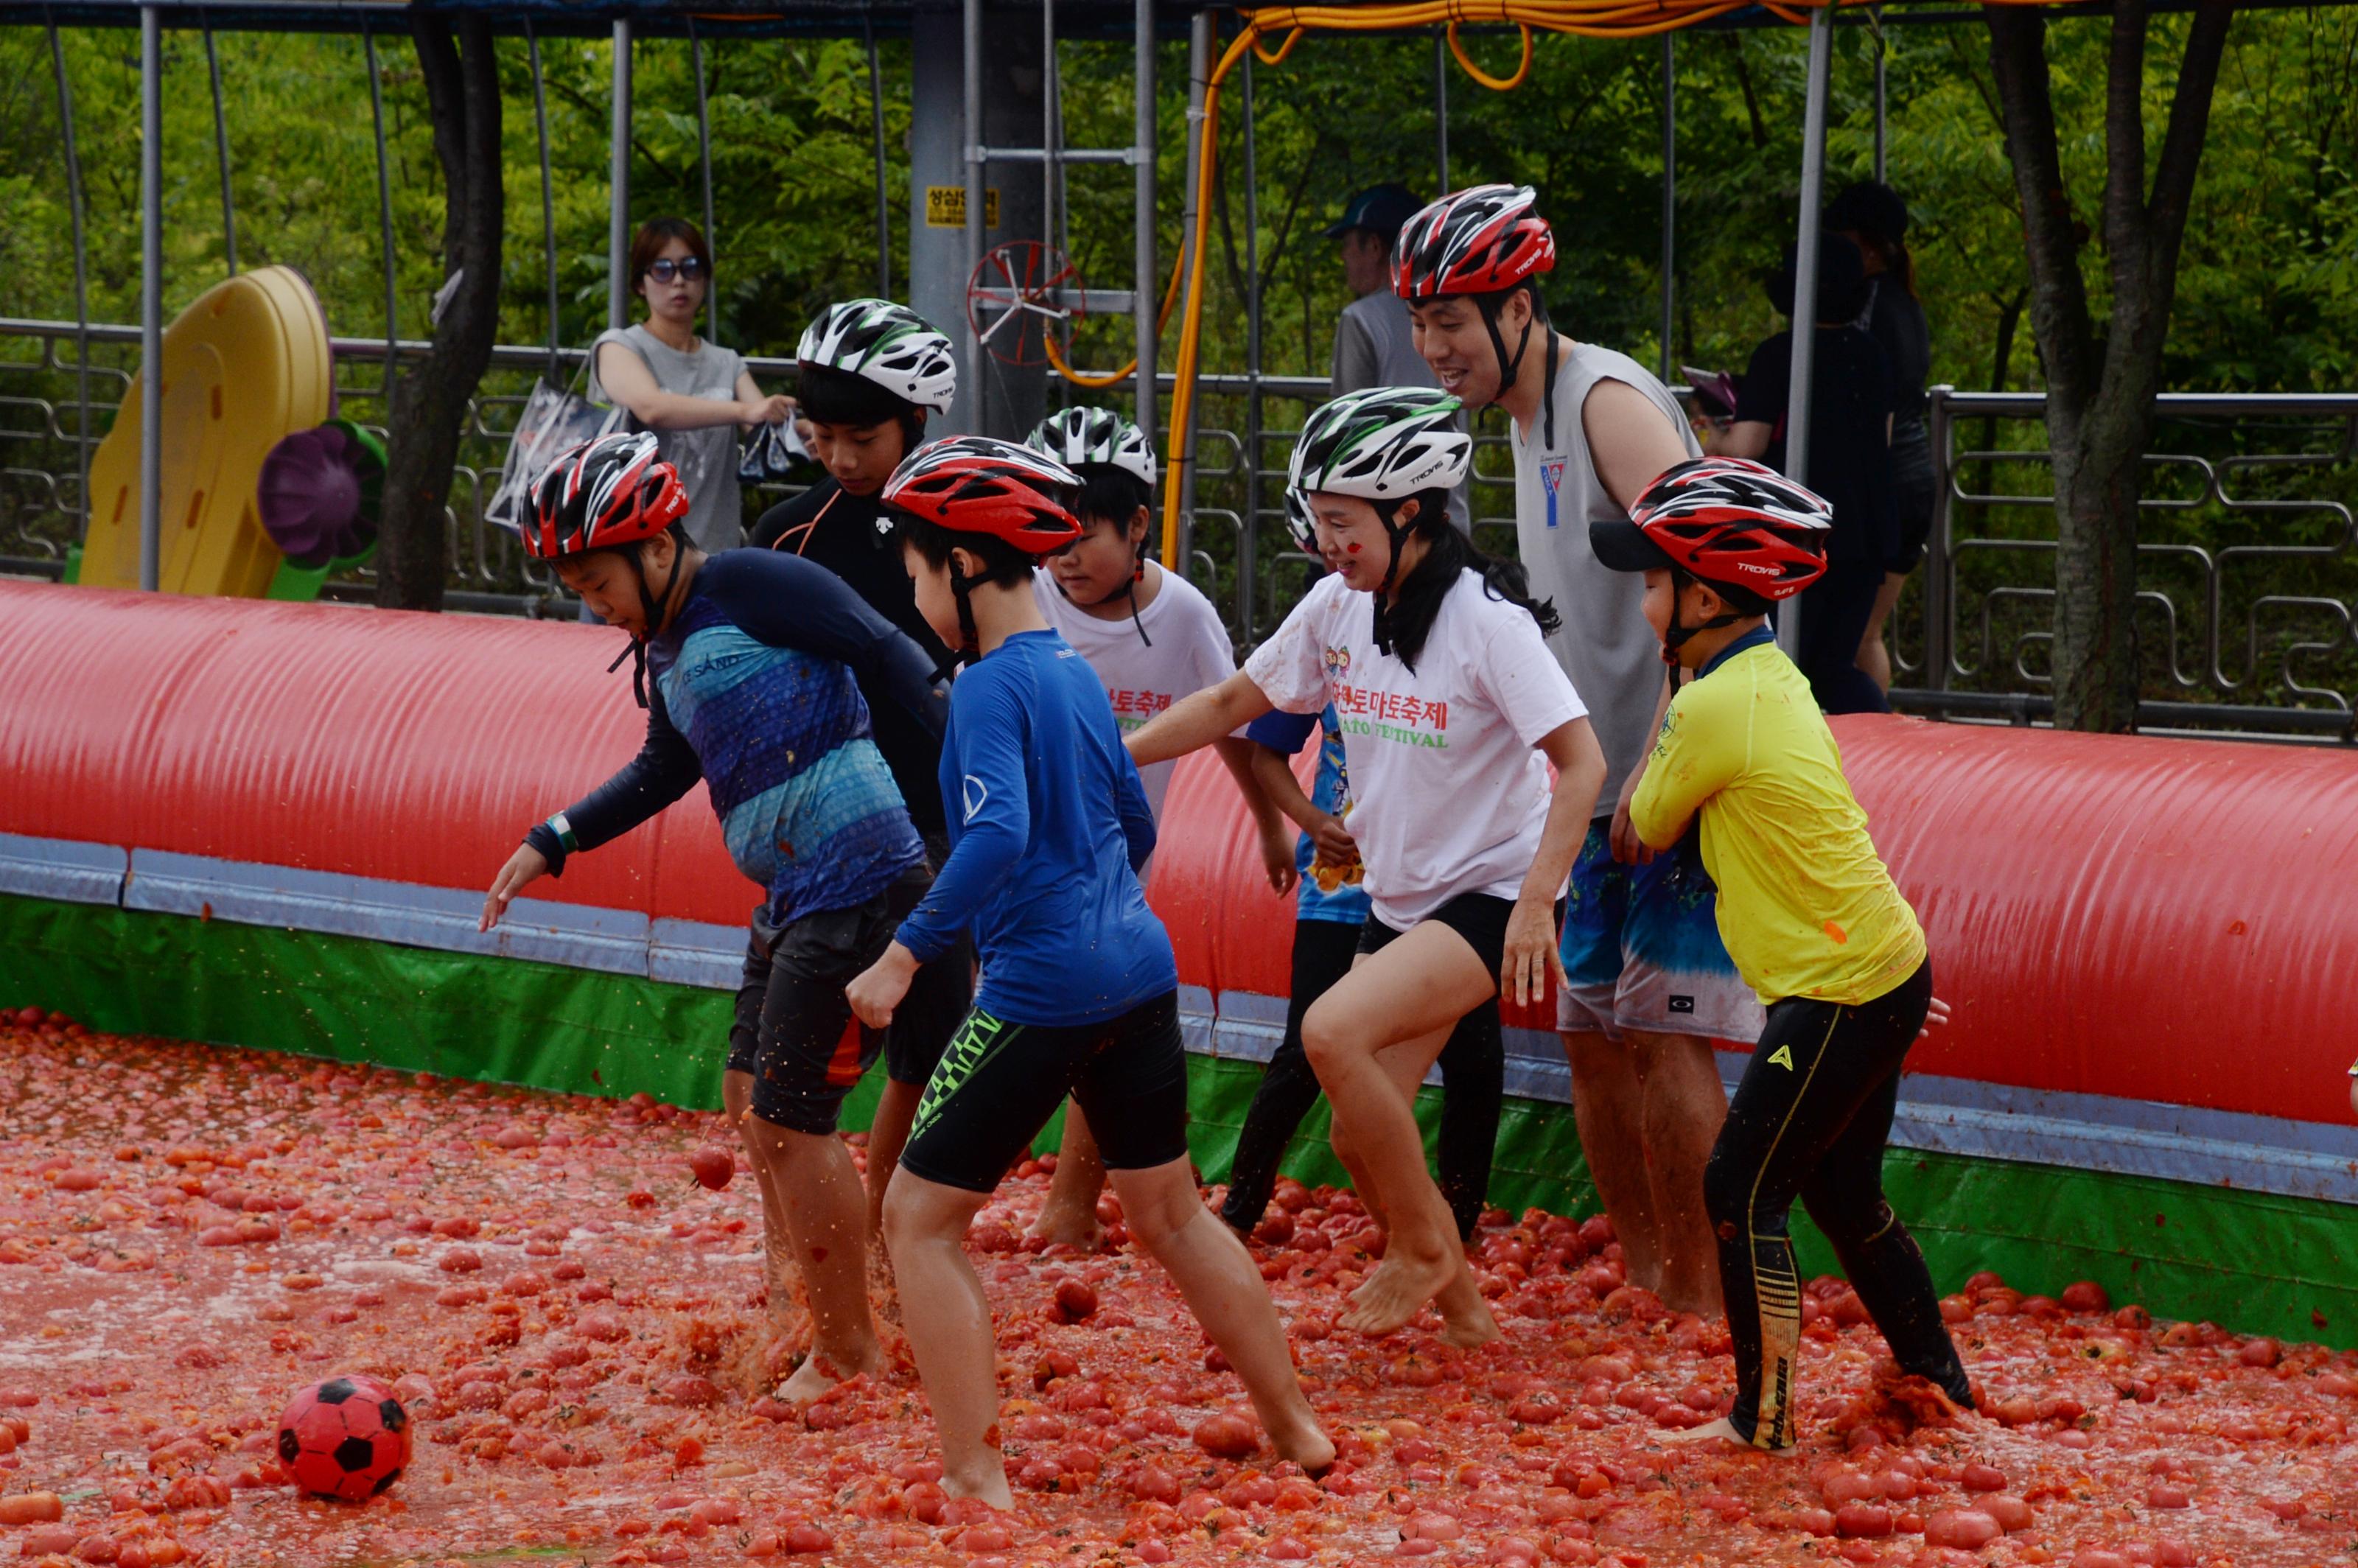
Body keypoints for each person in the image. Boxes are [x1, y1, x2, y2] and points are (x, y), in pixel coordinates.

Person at [843, 436, 1332, 1504]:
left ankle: (975, 1475)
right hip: (1137, 969)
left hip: (1043, 987)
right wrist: (1100, 908)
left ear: (966, 566)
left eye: (919, 571)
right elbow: (1127, 822)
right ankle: (1294, 1426)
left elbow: (994, 838)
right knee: (1170, 1215)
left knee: (918, 1219)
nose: (914, 594)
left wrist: (902, 955)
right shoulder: (1074, 672)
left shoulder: (981, 688)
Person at [478, 432, 968, 1404]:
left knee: (791, 1118)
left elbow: (888, 651)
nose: (592, 604)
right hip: (793, 898)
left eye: (596, 580)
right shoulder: (666, 651)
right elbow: (668, 765)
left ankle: (847, 1348)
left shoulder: (751, 583)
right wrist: (556, 837)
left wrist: (978, 783)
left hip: (861, 878)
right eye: (576, 589)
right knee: (753, 1102)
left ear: (656, 549)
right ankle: (811, 1296)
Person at [1129, 388, 1605, 1343]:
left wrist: (1537, 906)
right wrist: (1111, 751)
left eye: (1343, 523)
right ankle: (1467, 1317)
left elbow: (1582, 763)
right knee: (1356, 1129)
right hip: (1400, 897)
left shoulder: (1488, 623)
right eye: (1318, 520)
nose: (1324, 542)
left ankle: (1428, 1253)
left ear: (1412, 513)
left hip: (1490, 896)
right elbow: (1232, 702)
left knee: (1332, 1033)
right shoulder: (1338, 608)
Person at [1396, 183, 1761, 1318]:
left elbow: (1723, 580)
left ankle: (1706, 1300)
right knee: (1592, 1038)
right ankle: (1647, 1276)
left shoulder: (1606, 401)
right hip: (1591, 781)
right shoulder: (1515, 414)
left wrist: (1665, 770)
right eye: (1421, 322)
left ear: (1519, 306)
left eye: (1453, 319)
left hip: (1670, 773)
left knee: (1663, 1037)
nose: (1433, 346)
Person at [1589, 455, 1969, 1454]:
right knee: (1845, 1195)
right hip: (1879, 969)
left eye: (1651, 584)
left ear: (1703, 598)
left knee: (1741, 1188)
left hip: (1843, 985)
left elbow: (1639, 829)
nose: (1640, 604)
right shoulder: (1766, 677)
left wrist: (1669, 712)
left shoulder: (1711, 703)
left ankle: (1760, 1428)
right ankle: (1942, 1390)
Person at [1015, 405, 1295, 1250]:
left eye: (1083, 535)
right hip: (1010, 843)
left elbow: (1235, 725)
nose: (1063, 556)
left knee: (1092, 1013)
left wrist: (1270, 827)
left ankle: (1071, 1203)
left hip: (1107, 863)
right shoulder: (1021, 593)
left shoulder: (1181, 615)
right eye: (1047, 533)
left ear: (1138, 523)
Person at [1217, 525, 1505, 1248]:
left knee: (1471, 1050)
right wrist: (1307, 821)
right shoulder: (1331, 628)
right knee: (1304, 1044)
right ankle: (1237, 1211)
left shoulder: (1467, 629)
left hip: (1442, 882)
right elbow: (1264, 748)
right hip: (1342, 878)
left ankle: (1454, 1225)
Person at [1706, 232, 1897, 716]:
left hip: (1797, 534)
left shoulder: (1779, 356)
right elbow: (1885, 440)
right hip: (1866, 531)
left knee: (1792, 663)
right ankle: (1879, 748)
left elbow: (1745, 448)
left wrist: (1708, 436)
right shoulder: (1874, 354)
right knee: (1835, 665)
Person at [751, 300, 962, 677]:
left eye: (863, 440)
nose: (841, 460)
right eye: (824, 436)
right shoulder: (786, 535)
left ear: (915, 419)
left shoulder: (966, 524)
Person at [589, 218, 793, 554]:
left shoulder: (726, 361)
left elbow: (763, 422)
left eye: (691, 268)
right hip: (630, 552)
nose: (679, 281)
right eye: (663, 270)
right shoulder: (618, 347)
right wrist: (748, 410)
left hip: (711, 552)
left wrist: (817, 432)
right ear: (640, 283)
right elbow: (651, 407)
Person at [1825, 181, 1935, 694]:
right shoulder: (1905, 303)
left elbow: (1880, 412)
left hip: (1889, 482)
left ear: (1866, 247)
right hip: (1914, 478)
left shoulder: (1871, 307)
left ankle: (1875, 745)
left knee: (1860, 635)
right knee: (1868, 631)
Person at [1329, 185, 1471, 533]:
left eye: (1348, 245)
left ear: (1374, 246)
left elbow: (1347, 431)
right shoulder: (1456, 312)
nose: (1345, 258)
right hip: (1449, 517)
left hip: (1383, 529)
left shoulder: (1362, 319)